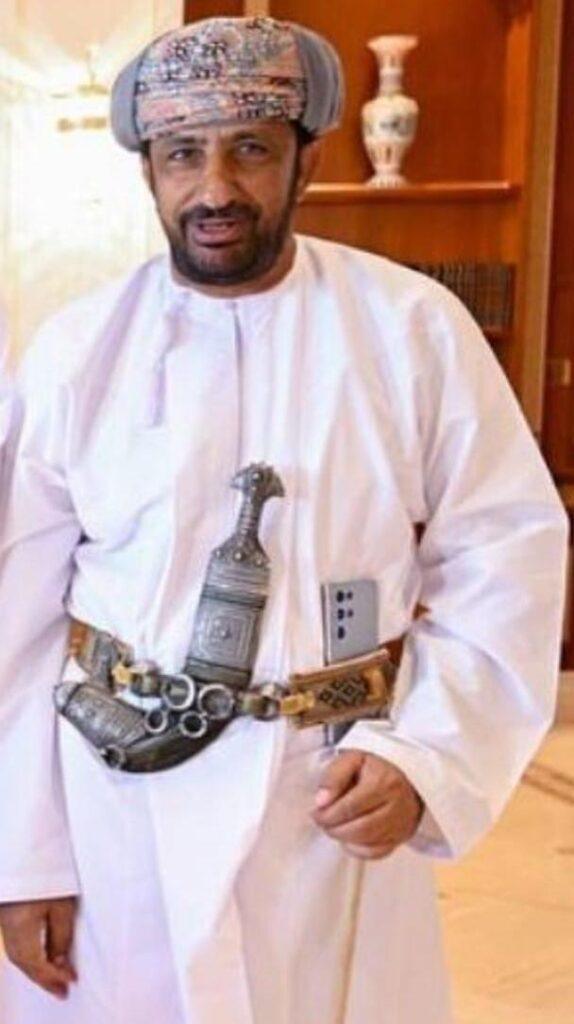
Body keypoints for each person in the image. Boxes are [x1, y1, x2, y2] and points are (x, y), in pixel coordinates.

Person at [0, 16, 567, 1024]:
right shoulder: (75, 352)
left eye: (251, 149)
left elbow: (504, 553)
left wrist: (426, 754)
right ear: (148, 171)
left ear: (307, 159)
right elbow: (17, 615)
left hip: (333, 795)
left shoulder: (412, 329)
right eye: (183, 153)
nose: (214, 187)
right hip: (117, 801)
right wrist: (22, 853)